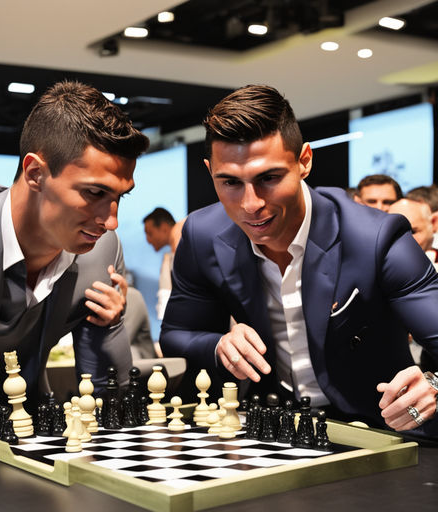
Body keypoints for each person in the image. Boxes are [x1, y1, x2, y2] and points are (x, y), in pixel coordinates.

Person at [160, 84, 438, 437]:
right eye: (229, 182)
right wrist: (218, 344)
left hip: (379, 430)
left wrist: (434, 384)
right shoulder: (202, 234)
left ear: (304, 161)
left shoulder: (375, 237)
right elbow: (176, 333)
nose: (250, 204)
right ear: (209, 170)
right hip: (271, 427)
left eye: (269, 178)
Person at [0, 80, 149, 429]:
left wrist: (111, 325)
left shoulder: (100, 248)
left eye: (122, 196)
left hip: (28, 432)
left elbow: (110, 401)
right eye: (94, 192)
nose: (111, 220)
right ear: (35, 173)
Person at [143, 208, 185, 321]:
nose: (147, 240)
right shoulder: (171, 252)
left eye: (150, 233)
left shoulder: (182, 236)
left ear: (164, 228)